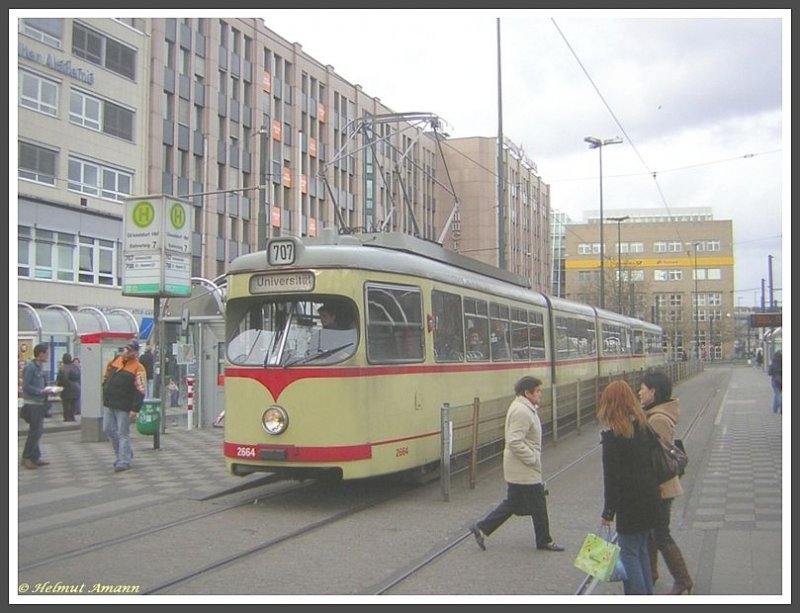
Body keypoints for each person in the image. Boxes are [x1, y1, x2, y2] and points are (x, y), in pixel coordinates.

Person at [470, 376, 565, 553]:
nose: (540, 394)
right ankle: (544, 540)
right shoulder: (522, 411)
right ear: (527, 393)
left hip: (520, 468)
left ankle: (481, 528)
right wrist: (532, 458)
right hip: (523, 468)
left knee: (513, 503)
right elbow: (514, 441)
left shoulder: (524, 407)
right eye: (537, 391)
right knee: (537, 503)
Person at [597, 380, 660, 595]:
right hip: (650, 497)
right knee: (641, 549)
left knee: (630, 554)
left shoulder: (613, 438)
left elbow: (612, 480)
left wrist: (607, 513)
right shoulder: (643, 427)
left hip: (630, 504)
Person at [639, 370, 693, 595]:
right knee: (651, 531)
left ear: (653, 391)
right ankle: (650, 573)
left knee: (660, 533)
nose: (639, 392)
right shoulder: (653, 414)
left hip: (661, 486)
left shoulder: (658, 419)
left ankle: (683, 580)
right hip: (658, 485)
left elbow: (657, 458)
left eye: (642, 389)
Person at [102, 340, 147, 473]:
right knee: (108, 429)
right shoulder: (116, 361)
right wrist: (105, 386)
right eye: (126, 349)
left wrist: (135, 409)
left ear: (135, 352)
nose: (127, 352)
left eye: (130, 350)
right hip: (110, 402)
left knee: (123, 433)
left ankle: (124, 460)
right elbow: (106, 376)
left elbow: (141, 390)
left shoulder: (138, 368)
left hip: (124, 405)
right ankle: (124, 453)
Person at [20, 343, 52, 469]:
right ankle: (27, 457)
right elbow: (26, 386)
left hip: (40, 403)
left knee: (38, 432)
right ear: (40, 354)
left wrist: (48, 389)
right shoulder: (31, 367)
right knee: (35, 432)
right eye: (46, 353)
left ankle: (35, 456)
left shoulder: (39, 367)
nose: (47, 355)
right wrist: (40, 391)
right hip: (32, 404)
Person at [55, 353, 81, 422]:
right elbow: (79, 377)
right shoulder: (75, 367)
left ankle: (67, 418)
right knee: (73, 404)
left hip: (65, 389)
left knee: (66, 404)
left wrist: (58, 387)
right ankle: (72, 417)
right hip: (76, 389)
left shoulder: (62, 368)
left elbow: (59, 380)